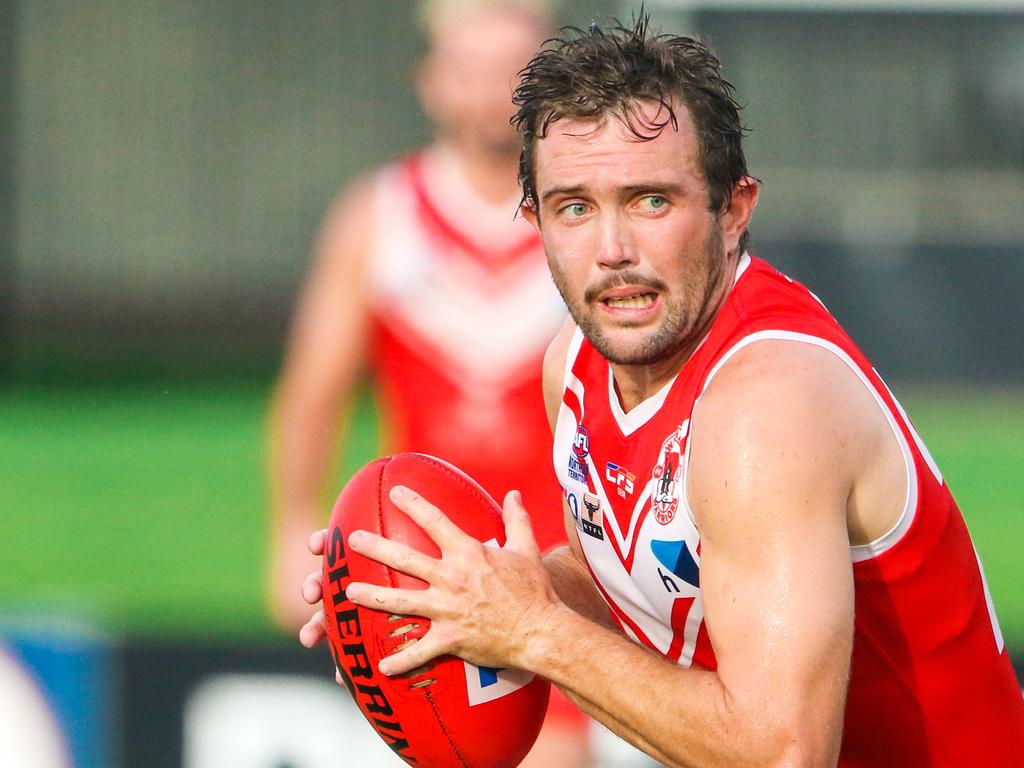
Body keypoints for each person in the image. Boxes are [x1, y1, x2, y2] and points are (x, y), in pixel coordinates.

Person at [299, 14, 1024, 767]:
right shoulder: (574, 369)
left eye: (650, 200)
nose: (612, 251)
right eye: (574, 207)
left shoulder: (765, 407)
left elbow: (782, 754)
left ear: (735, 210)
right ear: (535, 223)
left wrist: (532, 631)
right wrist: (437, 600)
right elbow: (612, 584)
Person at [269, 1, 593, 764]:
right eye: (470, 71)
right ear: (429, 83)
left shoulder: (586, 218)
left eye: (514, 72)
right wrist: (290, 528)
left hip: (565, 565)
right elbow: (314, 392)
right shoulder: (378, 216)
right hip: (410, 566)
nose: (492, 93)